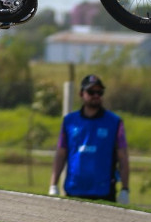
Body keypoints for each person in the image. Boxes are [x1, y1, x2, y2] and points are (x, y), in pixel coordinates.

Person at [49, 74, 130, 204]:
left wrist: (125, 189)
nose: (96, 95)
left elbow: (123, 157)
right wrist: (53, 185)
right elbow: (61, 153)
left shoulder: (114, 122)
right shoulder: (69, 121)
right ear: (81, 94)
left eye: (99, 92)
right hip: (74, 189)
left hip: (104, 191)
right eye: (91, 92)